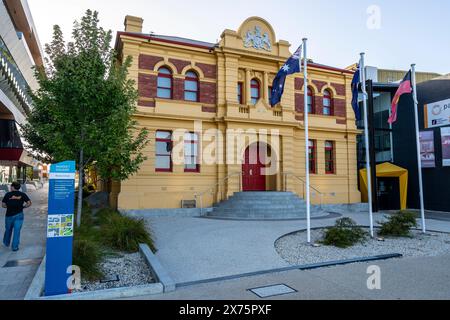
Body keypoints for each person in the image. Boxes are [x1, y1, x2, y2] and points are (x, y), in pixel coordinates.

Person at [2, 181, 32, 252]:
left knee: (8, 230)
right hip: (19, 215)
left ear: (12, 187)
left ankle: (6, 243)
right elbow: (29, 203)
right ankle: (15, 247)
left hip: (9, 215)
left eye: (11, 186)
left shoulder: (7, 194)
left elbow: (3, 205)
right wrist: (23, 207)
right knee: (17, 231)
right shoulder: (23, 194)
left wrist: (9, 206)